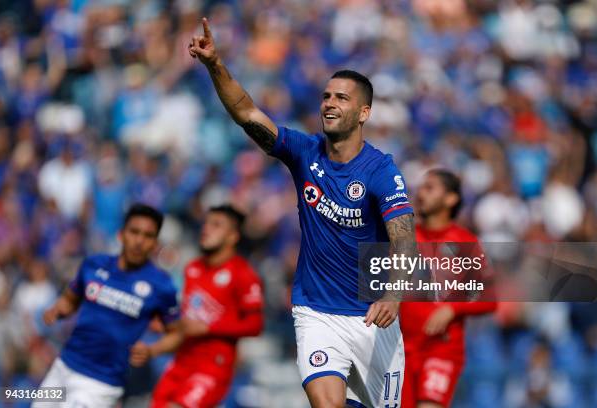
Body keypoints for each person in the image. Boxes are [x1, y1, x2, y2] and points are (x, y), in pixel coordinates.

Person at [188, 18, 417, 408]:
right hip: (316, 312)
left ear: (363, 113)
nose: (329, 103)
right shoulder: (303, 152)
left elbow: (404, 237)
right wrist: (215, 65)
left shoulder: (380, 170)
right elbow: (247, 113)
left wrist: (394, 294)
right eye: (327, 96)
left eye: (342, 98)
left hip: (372, 318)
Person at [34, 203, 179, 408]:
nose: (139, 241)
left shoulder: (161, 285)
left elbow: (177, 333)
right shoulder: (93, 265)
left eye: (148, 236)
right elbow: (70, 298)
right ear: (121, 234)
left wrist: (153, 350)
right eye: (134, 232)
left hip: (100, 384)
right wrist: (59, 309)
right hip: (64, 366)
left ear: (155, 244)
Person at [129, 205, 264, 408]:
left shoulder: (243, 274)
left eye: (216, 225)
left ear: (232, 236)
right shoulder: (193, 268)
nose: (206, 229)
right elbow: (186, 323)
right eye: (206, 223)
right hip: (182, 361)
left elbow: (255, 324)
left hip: (213, 367)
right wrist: (155, 346)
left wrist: (209, 328)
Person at [400, 169, 497, 408]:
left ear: (450, 198)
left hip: (440, 349)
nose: (420, 193)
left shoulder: (465, 243)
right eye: (421, 187)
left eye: (430, 188)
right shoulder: (404, 239)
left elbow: (489, 298)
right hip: (399, 352)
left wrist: (452, 309)